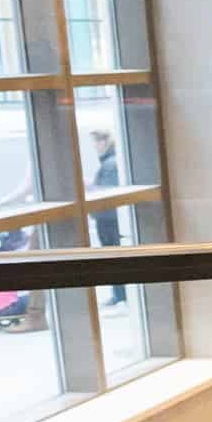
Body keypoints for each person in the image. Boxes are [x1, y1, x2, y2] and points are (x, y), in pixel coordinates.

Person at [88, 129, 126, 306]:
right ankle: (119, 294)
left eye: (96, 141)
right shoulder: (110, 162)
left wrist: (90, 186)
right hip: (109, 219)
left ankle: (120, 295)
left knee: (113, 258)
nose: (94, 146)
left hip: (108, 220)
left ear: (104, 142)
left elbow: (108, 193)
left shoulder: (109, 164)